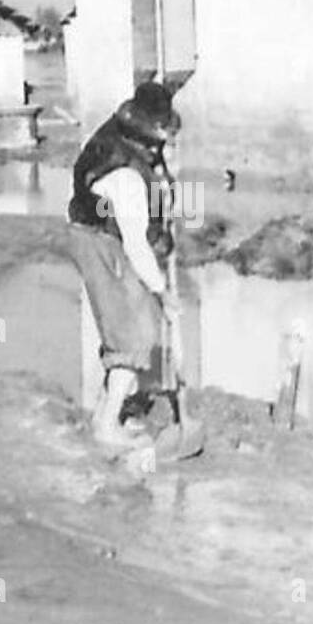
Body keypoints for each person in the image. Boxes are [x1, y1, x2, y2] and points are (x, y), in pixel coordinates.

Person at [67, 80, 181, 449]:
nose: (166, 140)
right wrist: (163, 291)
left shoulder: (129, 142)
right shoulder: (126, 172)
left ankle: (106, 413)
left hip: (106, 235)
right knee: (130, 334)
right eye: (162, 132)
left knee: (136, 325)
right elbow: (135, 240)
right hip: (100, 241)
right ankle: (105, 427)